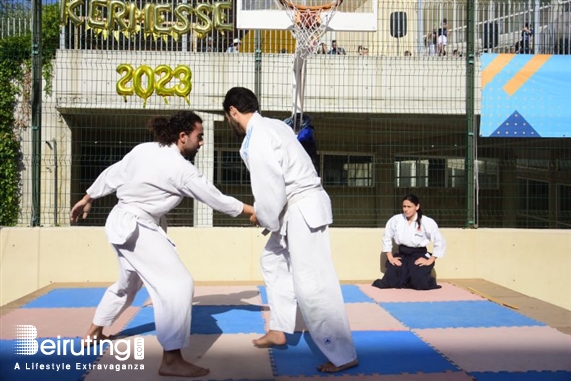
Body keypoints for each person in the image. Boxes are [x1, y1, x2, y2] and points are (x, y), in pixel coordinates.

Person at [70, 111, 254, 378]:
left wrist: (89, 196)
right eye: (199, 137)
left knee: (128, 284)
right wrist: (253, 210)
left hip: (121, 224)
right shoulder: (181, 170)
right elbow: (217, 199)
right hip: (136, 228)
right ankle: (171, 359)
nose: (201, 142)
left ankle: (93, 333)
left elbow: (115, 172)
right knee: (178, 284)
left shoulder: (145, 149)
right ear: (183, 137)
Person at [222, 87, 358, 373]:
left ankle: (342, 353)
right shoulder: (273, 126)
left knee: (313, 284)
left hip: (300, 208)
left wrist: (263, 215)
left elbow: (270, 185)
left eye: (228, 117)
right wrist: (271, 214)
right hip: (297, 208)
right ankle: (280, 328)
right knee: (272, 261)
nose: (229, 122)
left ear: (233, 111)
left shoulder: (258, 137)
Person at [372, 194, 446, 290]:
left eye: (409, 207)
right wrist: (390, 258)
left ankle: (423, 279)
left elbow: (439, 241)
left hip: (419, 255)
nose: (406, 209)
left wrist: (429, 260)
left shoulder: (427, 222)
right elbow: (386, 237)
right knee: (389, 281)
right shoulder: (396, 220)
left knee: (420, 283)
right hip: (402, 254)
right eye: (404, 206)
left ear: (417, 207)